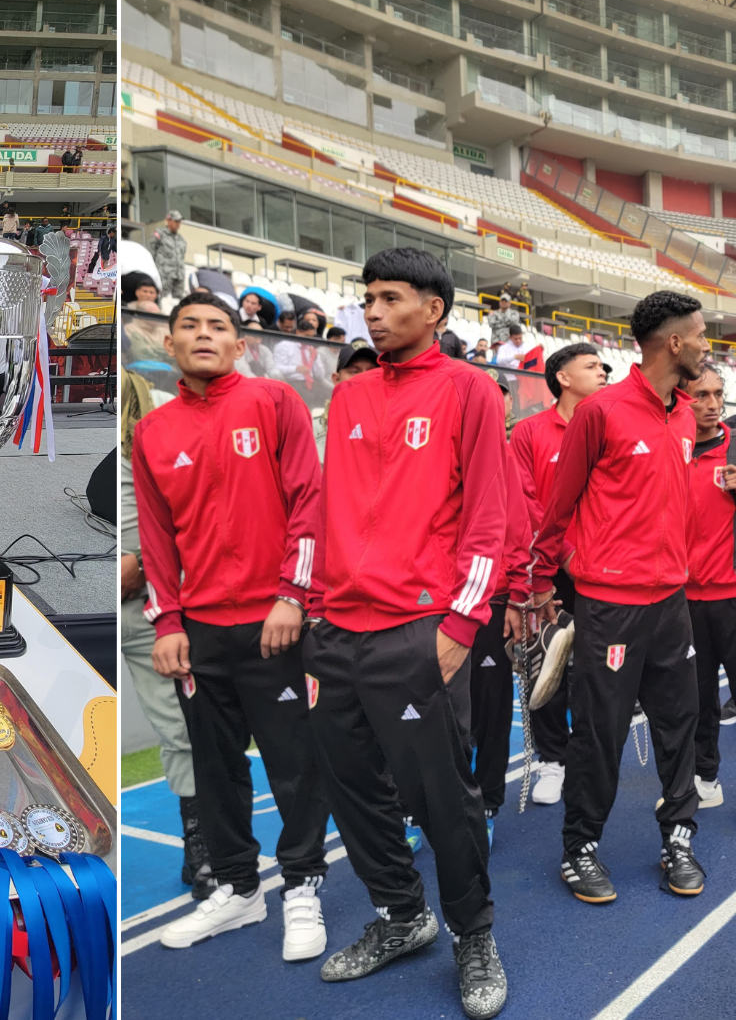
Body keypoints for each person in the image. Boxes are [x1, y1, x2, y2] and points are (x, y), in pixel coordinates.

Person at [308, 248, 507, 1020]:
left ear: (435, 310)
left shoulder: (471, 391)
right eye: (367, 297)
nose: (373, 310)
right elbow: (333, 510)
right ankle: (402, 914)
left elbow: (490, 515)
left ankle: (474, 931)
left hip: (420, 630)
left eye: (391, 297)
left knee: (443, 799)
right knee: (352, 790)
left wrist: (460, 623)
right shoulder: (352, 396)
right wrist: (320, 604)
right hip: (337, 633)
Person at [133, 292, 331, 961]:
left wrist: (292, 596)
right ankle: (239, 889)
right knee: (216, 772)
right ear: (170, 345)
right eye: (189, 325)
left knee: (294, 764)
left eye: (218, 326)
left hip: (276, 622)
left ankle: (303, 884)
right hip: (202, 632)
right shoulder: (153, 433)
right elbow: (158, 542)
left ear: (240, 345)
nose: (204, 334)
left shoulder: (275, 404)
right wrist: (167, 622)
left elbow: (310, 499)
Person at [531, 290, 708, 905]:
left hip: (672, 602)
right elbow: (559, 505)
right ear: (674, 342)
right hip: (609, 605)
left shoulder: (684, 414)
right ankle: (580, 848)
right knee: (600, 733)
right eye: (701, 333)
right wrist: (539, 582)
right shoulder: (601, 412)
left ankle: (678, 838)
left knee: (679, 725)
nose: (708, 345)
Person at [122, 367, 211, 899]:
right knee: (179, 729)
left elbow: (198, 527)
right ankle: (201, 840)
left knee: (185, 728)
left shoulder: (166, 451)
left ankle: (202, 838)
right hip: (141, 615)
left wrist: (140, 563)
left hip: (160, 610)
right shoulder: (127, 455)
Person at [508, 343, 606, 805]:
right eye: (591, 366)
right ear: (562, 378)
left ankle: (586, 755)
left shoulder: (611, 423)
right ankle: (551, 758)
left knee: (596, 665)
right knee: (544, 662)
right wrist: (563, 554)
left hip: (602, 568)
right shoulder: (528, 432)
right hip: (547, 568)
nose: (603, 370)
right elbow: (526, 501)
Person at [465, 382, 536, 849]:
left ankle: (487, 801)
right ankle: (421, 806)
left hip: (489, 601)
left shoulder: (504, 456)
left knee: (489, 707)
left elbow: (517, 528)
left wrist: (516, 596)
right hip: (429, 603)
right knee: (427, 712)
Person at [685, 366, 736, 812]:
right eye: (702, 394)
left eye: (718, 393)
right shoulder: (667, 449)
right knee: (698, 700)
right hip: (682, 601)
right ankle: (705, 774)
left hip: (733, 596)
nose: (714, 403)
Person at [151, 210, 188, 300]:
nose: (178, 224)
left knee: (178, 300)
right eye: (176, 221)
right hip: (164, 273)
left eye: (179, 222)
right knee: (161, 297)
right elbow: (151, 250)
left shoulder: (181, 239)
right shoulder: (159, 234)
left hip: (179, 274)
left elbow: (182, 256)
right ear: (168, 220)